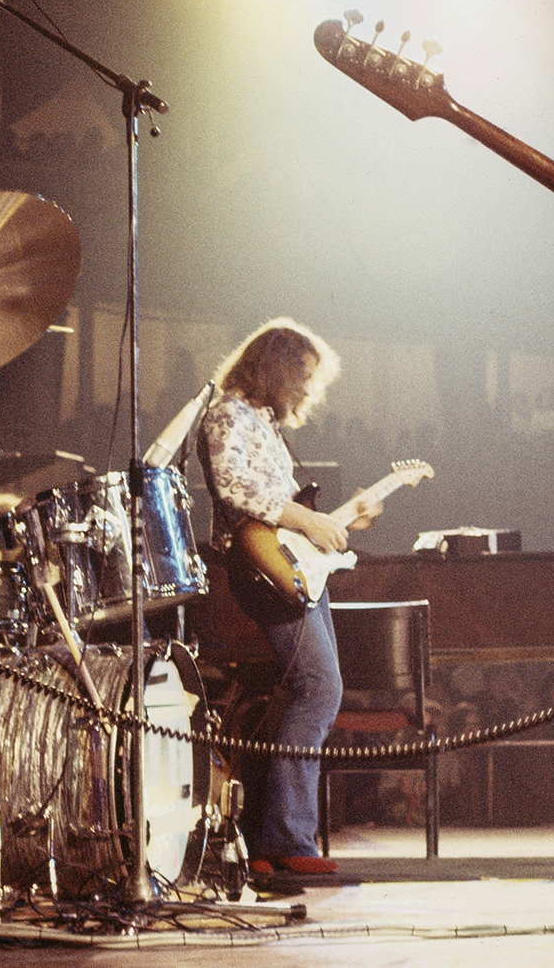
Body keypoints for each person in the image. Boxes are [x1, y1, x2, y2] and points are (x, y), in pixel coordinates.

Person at [195, 318, 380, 876]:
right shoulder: (228, 413)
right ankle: (285, 839)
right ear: (272, 367)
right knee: (318, 686)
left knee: (310, 690)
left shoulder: (264, 425)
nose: (308, 389)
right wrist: (308, 518)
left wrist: (342, 522)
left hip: (290, 566)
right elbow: (234, 488)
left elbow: (285, 509)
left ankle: (268, 836)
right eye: (301, 375)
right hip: (259, 568)